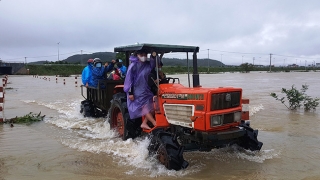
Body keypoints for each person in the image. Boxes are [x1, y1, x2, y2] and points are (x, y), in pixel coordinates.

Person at [124, 50, 157, 129]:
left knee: (153, 107)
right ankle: (155, 123)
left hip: (146, 89)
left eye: (145, 54)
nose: (143, 56)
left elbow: (153, 63)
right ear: (137, 55)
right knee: (144, 107)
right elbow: (129, 80)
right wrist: (131, 92)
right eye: (141, 54)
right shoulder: (133, 66)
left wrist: (153, 55)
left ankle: (144, 123)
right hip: (136, 90)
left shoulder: (147, 65)